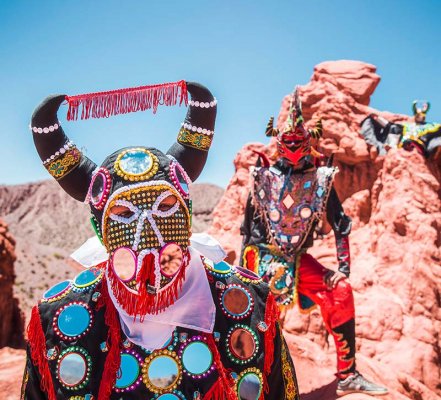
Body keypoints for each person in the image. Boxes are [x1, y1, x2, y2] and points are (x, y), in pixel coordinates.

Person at [22, 81, 299, 400]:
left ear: (188, 215)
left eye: (165, 208)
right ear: (100, 230)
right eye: (124, 213)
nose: (148, 231)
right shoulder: (59, 320)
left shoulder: (250, 302)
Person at [240, 88, 388, 396]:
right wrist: (245, 272)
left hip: (296, 260)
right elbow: (247, 229)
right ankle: (247, 381)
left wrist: (343, 268)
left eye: (299, 140)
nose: (293, 145)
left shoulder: (322, 178)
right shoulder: (262, 176)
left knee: (341, 290)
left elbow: (340, 223)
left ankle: (347, 373)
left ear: (310, 140)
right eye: (288, 141)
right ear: (279, 141)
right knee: (257, 320)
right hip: (263, 259)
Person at [361, 100, 441, 159]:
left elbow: (437, 129)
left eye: (422, 116)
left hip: (419, 144)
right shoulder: (406, 126)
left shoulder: (430, 126)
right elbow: (390, 125)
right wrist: (377, 118)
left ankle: (426, 150)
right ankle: (377, 146)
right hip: (402, 145)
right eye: (418, 115)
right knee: (393, 128)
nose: (420, 117)